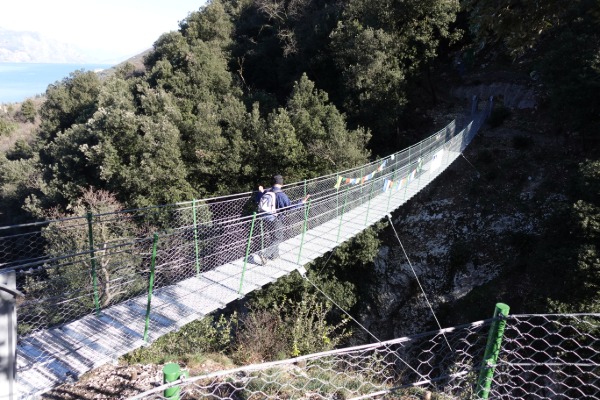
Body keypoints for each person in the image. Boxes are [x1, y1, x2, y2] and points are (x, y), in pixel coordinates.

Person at [255, 174, 310, 265]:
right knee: (278, 238)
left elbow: (258, 200)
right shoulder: (281, 195)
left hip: (265, 218)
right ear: (282, 184)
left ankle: (275, 255)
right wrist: (302, 202)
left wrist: (260, 191)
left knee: (274, 237)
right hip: (276, 219)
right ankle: (265, 255)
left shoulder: (267, 191)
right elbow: (290, 207)